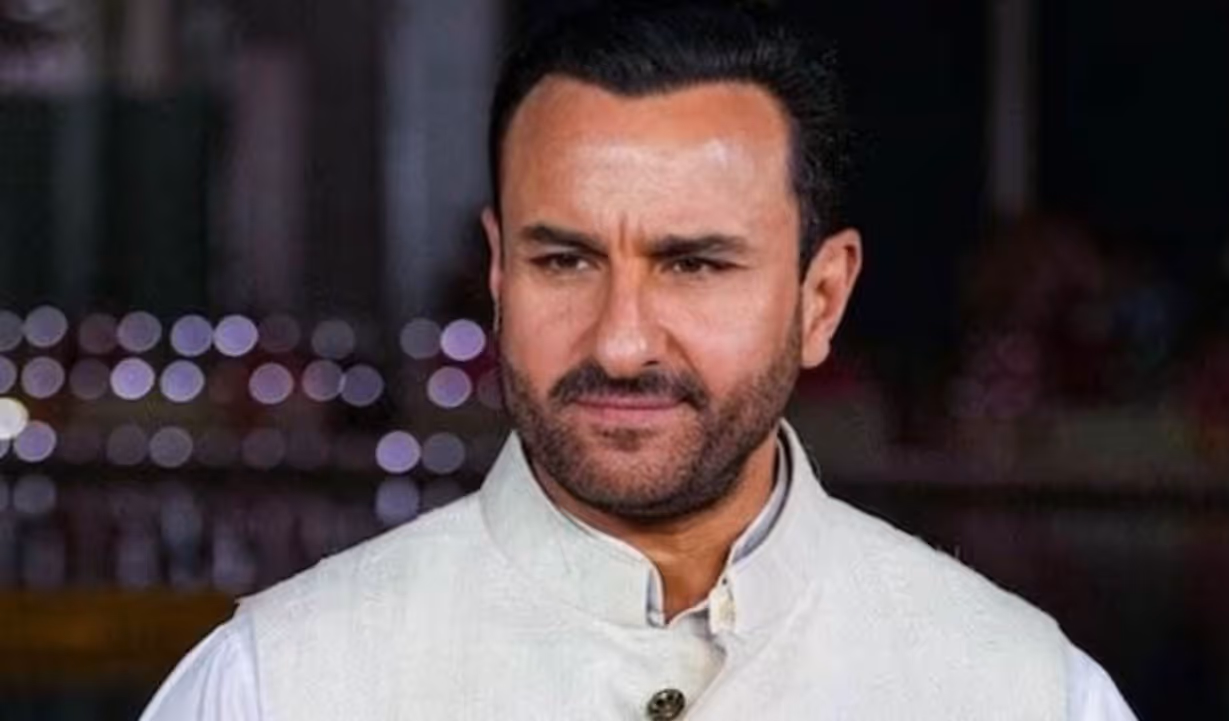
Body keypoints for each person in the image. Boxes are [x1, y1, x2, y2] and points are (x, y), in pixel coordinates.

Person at [142, 3, 1138, 719]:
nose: (620, 342)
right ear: (497, 274)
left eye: (695, 264)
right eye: (564, 260)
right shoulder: (279, 686)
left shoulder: (1020, 692)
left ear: (820, 299)